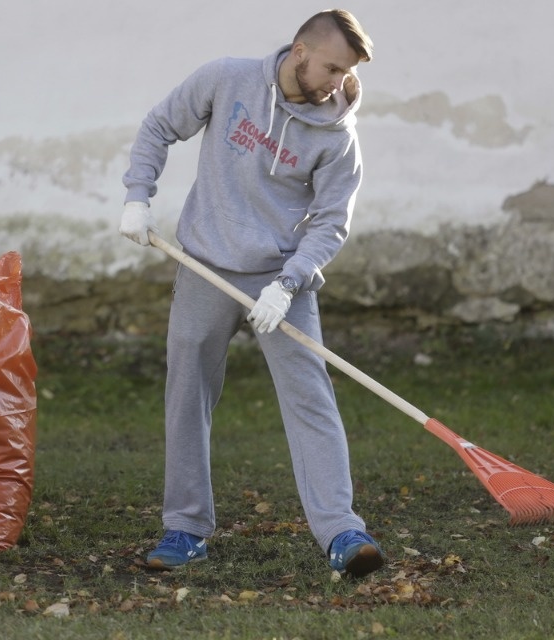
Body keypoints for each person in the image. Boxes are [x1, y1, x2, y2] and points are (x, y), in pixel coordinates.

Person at [119, 9, 385, 578]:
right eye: (332, 68)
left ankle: (341, 531)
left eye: (347, 73)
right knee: (187, 392)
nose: (338, 82)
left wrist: (289, 283)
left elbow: (331, 222)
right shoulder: (226, 79)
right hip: (205, 263)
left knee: (310, 396)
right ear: (299, 52)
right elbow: (159, 125)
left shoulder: (338, 135)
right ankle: (186, 529)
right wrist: (138, 197)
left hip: (281, 279)